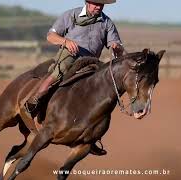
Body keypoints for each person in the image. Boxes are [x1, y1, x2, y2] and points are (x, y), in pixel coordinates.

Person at [25, 0, 124, 155]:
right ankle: (35, 101)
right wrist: (65, 41)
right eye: (96, 3)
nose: (99, 6)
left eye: (101, 4)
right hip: (70, 57)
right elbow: (50, 36)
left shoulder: (107, 23)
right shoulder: (71, 15)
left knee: (101, 92)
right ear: (87, 2)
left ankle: (90, 136)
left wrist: (116, 47)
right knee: (58, 73)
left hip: (91, 62)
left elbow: (116, 45)